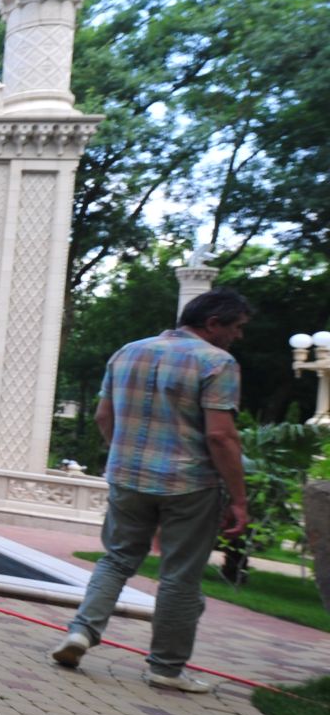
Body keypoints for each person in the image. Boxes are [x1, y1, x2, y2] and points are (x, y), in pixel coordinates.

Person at [50, 289, 252, 693]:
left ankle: (81, 632)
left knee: (116, 559)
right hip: (189, 484)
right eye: (236, 327)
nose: (238, 336)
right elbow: (221, 437)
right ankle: (166, 668)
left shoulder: (128, 352)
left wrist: (125, 455)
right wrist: (240, 499)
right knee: (179, 576)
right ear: (213, 323)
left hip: (128, 478)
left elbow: (104, 416)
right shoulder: (217, 362)